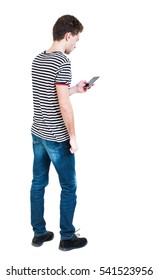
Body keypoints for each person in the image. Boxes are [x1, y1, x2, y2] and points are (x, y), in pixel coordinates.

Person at [30, 15, 92, 251]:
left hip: (38, 134)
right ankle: (67, 237)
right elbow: (64, 105)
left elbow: (52, 97)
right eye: (76, 39)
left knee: (38, 183)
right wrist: (73, 137)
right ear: (68, 35)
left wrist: (75, 88)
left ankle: (39, 234)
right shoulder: (62, 62)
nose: (76, 44)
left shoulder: (38, 59)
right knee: (69, 186)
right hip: (57, 138)